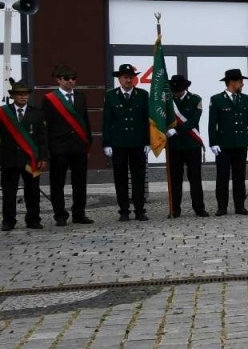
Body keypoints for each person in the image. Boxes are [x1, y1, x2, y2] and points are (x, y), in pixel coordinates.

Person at [41, 63, 93, 226]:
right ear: (59, 80)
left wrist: (88, 143)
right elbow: (46, 126)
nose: (71, 81)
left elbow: (85, 121)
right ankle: (60, 215)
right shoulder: (50, 99)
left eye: (73, 78)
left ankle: (79, 213)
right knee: (57, 183)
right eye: (67, 79)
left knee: (80, 182)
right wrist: (47, 149)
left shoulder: (80, 97)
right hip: (59, 147)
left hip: (78, 146)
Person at [102, 62, 151, 222]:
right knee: (120, 178)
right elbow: (107, 121)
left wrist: (148, 141)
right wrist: (107, 143)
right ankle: (123, 210)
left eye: (131, 77)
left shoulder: (143, 95)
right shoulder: (111, 95)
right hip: (119, 143)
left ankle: (139, 210)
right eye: (125, 77)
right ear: (119, 79)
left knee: (139, 178)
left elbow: (147, 120)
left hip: (138, 143)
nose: (128, 80)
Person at [208, 68, 248, 216]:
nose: (242, 84)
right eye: (240, 81)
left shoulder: (245, 99)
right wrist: (213, 142)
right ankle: (222, 207)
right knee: (222, 177)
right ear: (231, 82)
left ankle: (240, 206)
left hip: (240, 144)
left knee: (240, 178)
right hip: (224, 145)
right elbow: (212, 123)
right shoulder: (217, 99)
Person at [0, 78, 44, 230]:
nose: (23, 97)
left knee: (33, 191)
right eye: (19, 94)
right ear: (12, 96)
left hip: (31, 159)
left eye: (25, 94)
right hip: (9, 159)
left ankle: (33, 219)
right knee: (8, 192)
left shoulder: (37, 114)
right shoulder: (3, 113)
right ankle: (8, 221)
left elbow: (42, 138)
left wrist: (43, 158)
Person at [164, 74, 208, 217]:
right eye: (174, 90)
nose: (176, 93)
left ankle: (199, 207)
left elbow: (193, 121)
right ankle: (175, 209)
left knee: (195, 178)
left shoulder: (195, 99)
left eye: (178, 90)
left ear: (185, 88)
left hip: (191, 144)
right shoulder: (167, 101)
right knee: (175, 179)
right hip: (174, 146)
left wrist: (175, 130)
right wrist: (165, 130)